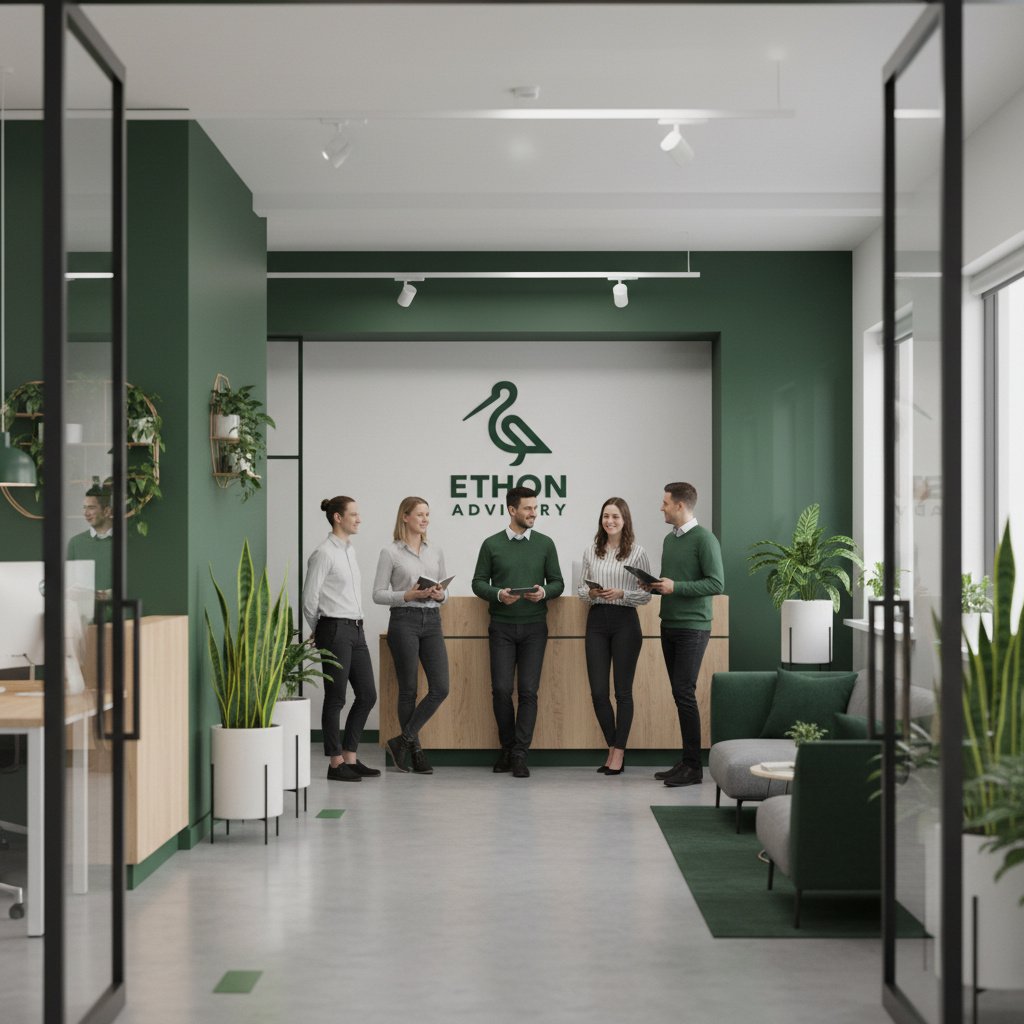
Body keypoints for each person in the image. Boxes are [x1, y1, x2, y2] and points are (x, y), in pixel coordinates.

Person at [471, 486, 564, 778]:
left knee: (528, 691)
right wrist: (499, 595)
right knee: (500, 690)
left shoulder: (546, 544)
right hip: (501, 627)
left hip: (535, 627)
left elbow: (558, 583)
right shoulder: (491, 544)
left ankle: (521, 754)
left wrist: (544, 592)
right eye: (527, 508)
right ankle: (507, 749)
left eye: (535, 508)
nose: (533, 513)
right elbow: (477, 582)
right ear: (512, 510)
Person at [642, 482, 724, 788]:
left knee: (685, 692)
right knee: (680, 694)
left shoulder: (705, 540)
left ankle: (694, 767)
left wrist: (675, 587)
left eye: (665, 502)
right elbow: (673, 582)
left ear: (680, 505)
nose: (661, 507)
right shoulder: (669, 540)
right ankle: (687, 760)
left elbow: (716, 583)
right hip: (670, 623)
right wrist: (653, 586)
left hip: (694, 626)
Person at [301, 495, 379, 783]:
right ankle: (335, 764)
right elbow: (309, 599)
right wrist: (321, 630)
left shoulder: (349, 550)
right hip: (334, 629)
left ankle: (350, 757)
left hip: (356, 629)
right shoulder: (324, 553)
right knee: (336, 698)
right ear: (338, 517)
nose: (359, 519)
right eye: (354, 514)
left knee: (368, 694)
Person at [373, 496, 450, 775]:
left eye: (427, 514)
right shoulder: (390, 552)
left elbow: (445, 590)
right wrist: (408, 595)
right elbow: (378, 594)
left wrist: (441, 594)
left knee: (441, 687)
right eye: (420, 514)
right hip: (404, 620)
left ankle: (402, 741)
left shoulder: (436, 551)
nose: (425, 519)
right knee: (408, 690)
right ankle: (416, 753)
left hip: (432, 619)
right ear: (405, 517)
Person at [577, 497, 652, 775]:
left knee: (623, 692)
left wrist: (622, 593)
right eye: (606, 516)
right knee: (598, 692)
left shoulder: (637, 552)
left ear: (625, 521)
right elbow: (580, 591)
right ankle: (611, 745)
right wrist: (592, 592)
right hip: (596, 620)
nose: (610, 521)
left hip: (625, 623)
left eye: (616, 517)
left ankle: (619, 752)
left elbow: (647, 594)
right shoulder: (591, 550)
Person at [66, 480, 114, 610]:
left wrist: (104, 595)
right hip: (85, 620)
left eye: (91, 508)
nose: (86, 513)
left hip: (122, 621)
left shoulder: (125, 542)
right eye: (84, 508)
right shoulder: (76, 543)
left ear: (107, 511)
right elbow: (67, 585)